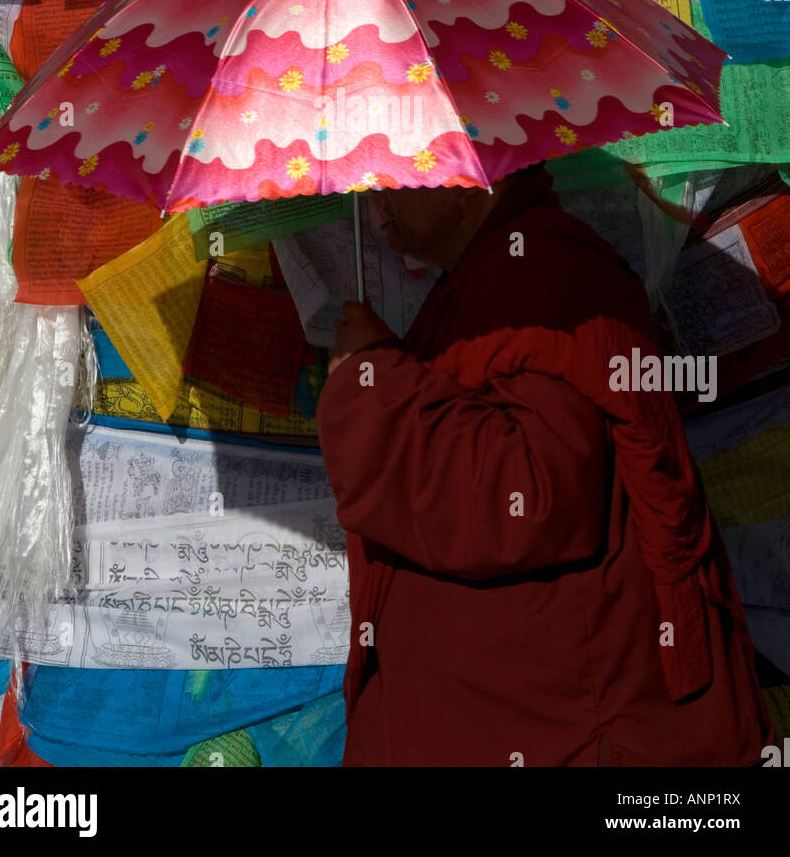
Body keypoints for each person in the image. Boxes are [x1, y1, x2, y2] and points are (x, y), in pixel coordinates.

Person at [317, 163, 773, 767]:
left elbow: (527, 496)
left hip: (571, 727)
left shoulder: (546, 278)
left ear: (476, 174)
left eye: (400, 172)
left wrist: (369, 382)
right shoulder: (497, 274)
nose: (377, 196)